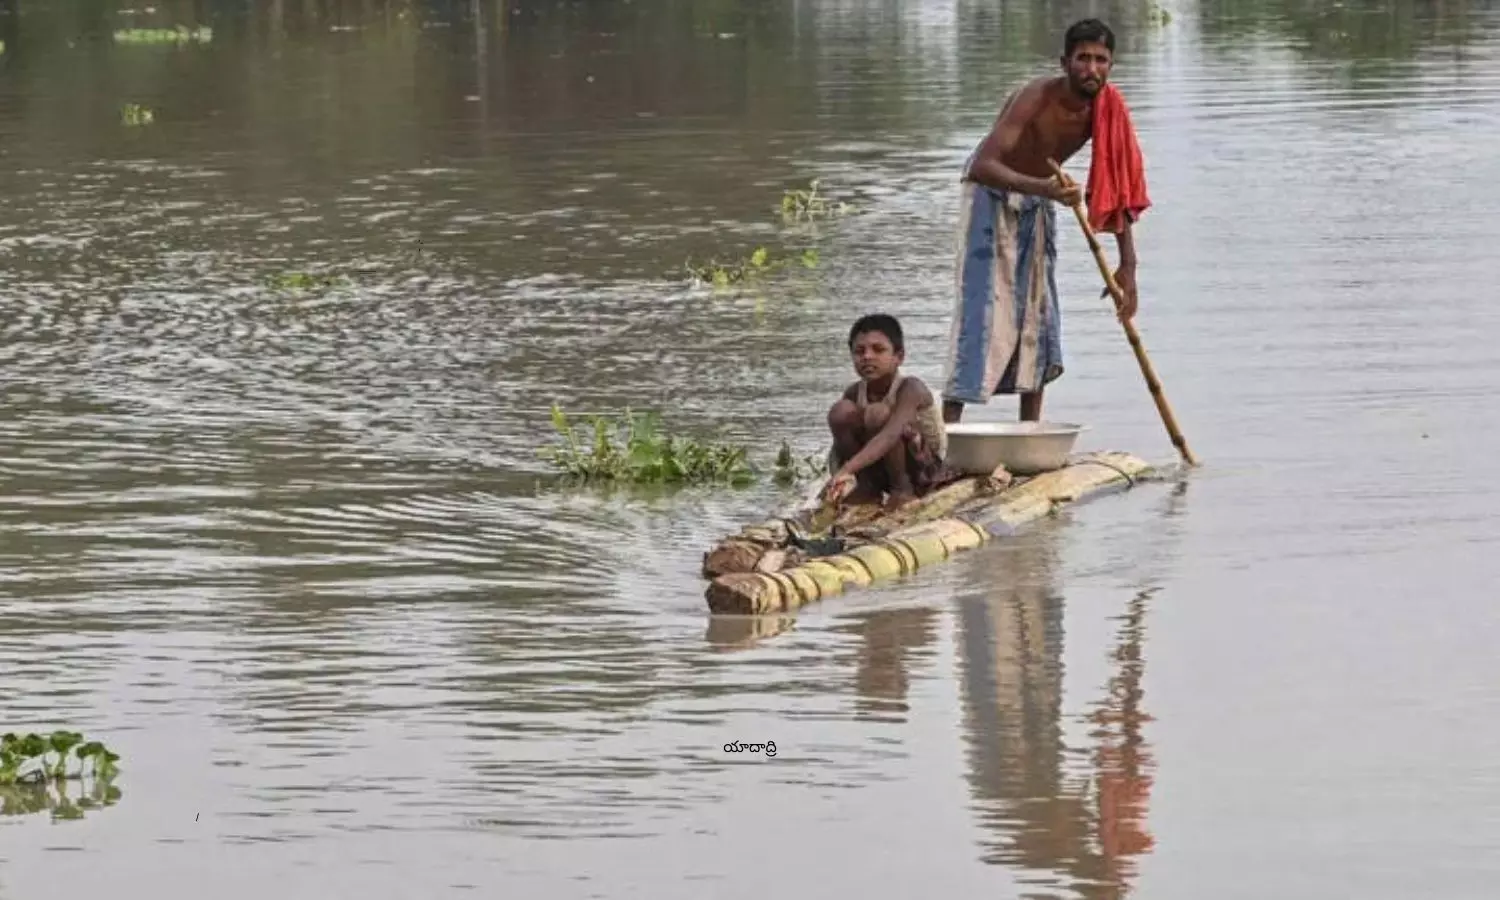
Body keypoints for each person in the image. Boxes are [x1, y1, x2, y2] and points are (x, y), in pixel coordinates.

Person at [941, 18, 1151, 425]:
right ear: (1065, 62)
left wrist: (1128, 265)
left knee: (1038, 313)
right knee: (982, 311)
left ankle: (1030, 433)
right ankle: (947, 437)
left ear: (1112, 65)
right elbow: (984, 164)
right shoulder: (1036, 96)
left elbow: (1118, 185)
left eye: (1101, 60)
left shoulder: (1107, 110)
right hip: (991, 195)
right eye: (1083, 59)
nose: (1092, 69)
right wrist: (1045, 188)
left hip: (1039, 200)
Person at [821, 313, 953, 509]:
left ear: (898, 357)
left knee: (877, 413)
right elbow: (839, 443)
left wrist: (847, 469)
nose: (867, 356)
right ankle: (866, 487)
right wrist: (836, 476)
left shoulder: (912, 388)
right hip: (878, 469)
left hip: (922, 472)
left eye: (878, 350)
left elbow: (891, 435)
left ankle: (902, 491)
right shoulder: (854, 392)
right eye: (859, 351)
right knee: (840, 411)